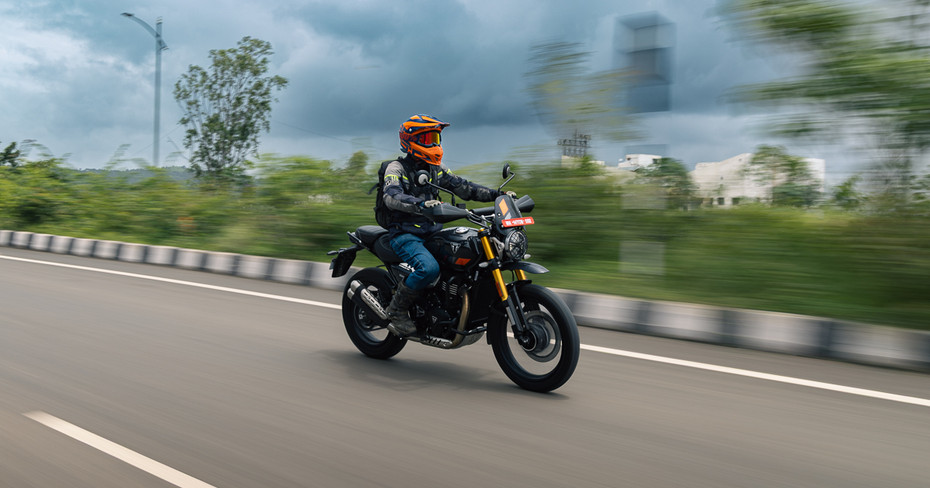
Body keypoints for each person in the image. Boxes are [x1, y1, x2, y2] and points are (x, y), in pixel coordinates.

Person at [381, 114, 515, 337]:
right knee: (429, 268)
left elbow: (463, 187)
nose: (433, 144)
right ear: (410, 141)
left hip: (431, 232)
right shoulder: (397, 168)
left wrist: (498, 196)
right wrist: (421, 204)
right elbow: (391, 196)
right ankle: (396, 310)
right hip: (404, 234)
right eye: (427, 139)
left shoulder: (436, 169)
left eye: (435, 138)